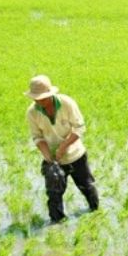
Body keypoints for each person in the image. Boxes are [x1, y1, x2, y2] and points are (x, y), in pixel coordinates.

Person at [25, 75, 99, 223]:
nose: (39, 102)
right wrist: (49, 158)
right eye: (36, 99)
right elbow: (37, 137)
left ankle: (96, 213)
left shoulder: (67, 103)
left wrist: (63, 147)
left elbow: (79, 128)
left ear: (50, 94)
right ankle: (57, 225)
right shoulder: (32, 112)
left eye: (43, 98)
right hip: (53, 159)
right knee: (54, 194)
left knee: (87, 186)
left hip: (76, 155)